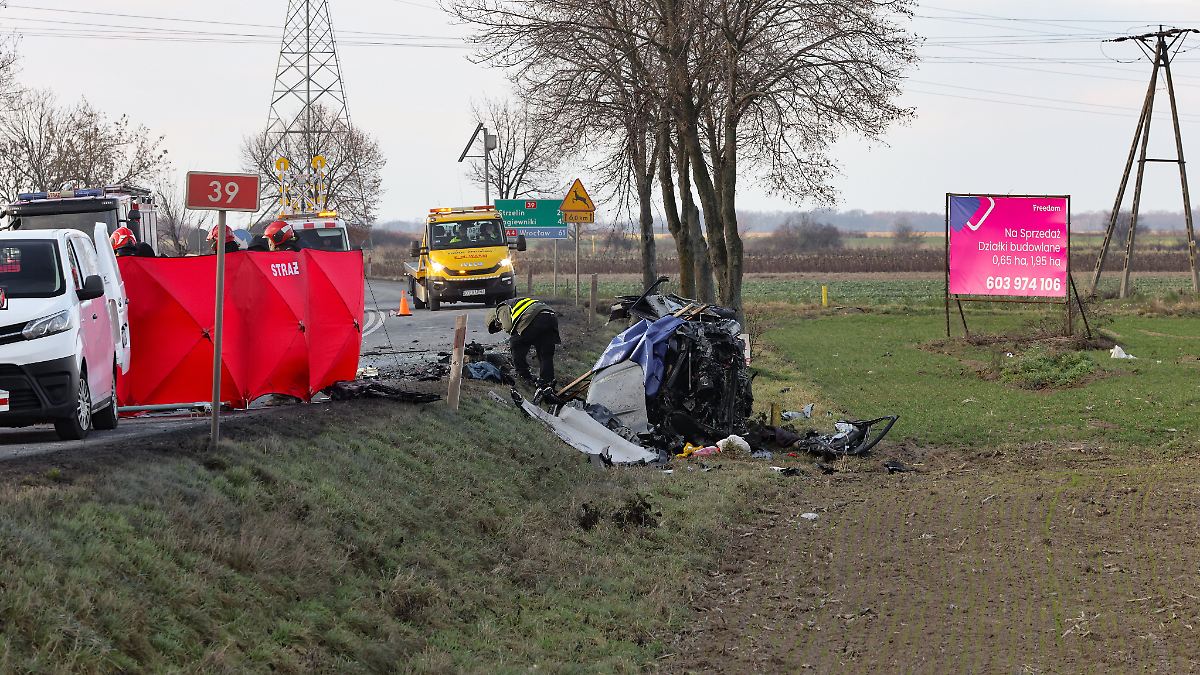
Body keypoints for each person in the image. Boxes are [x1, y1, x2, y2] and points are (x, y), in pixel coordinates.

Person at [488, 296, 560, 387]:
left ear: (494, 318)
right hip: (550, 316)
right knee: (545, 353)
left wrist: (513, 334)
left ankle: (523, 375)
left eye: (498, 327)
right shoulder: (515, 304)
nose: (499, 328)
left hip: (537, 317)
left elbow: (508, 326)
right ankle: (546, 382)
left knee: (516, 343)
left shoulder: (501, 308)